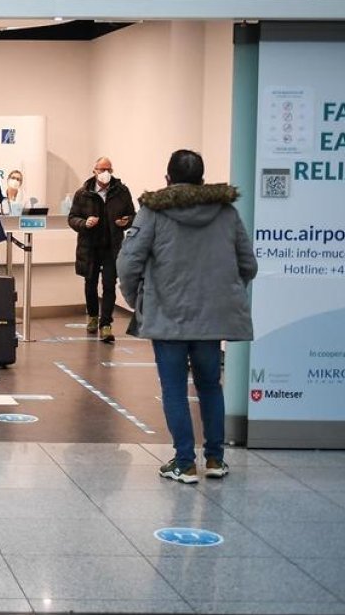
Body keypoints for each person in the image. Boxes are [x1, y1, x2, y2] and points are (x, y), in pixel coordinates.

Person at [116, 149, 258, 484]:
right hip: (211, 320)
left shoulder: (154, 211)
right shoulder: (226, 213)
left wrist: (136, 299)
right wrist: (225, 295)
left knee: (175, 389)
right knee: (210, 385)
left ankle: (183, 461)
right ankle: (215, 458)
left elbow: (128, 263)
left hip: (167, 316)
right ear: (202, 180)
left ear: (168, 178)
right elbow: (248, 265)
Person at [68, 157, 135, 343]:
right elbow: (72, 218)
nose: (105, 173)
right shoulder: (83, 193)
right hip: (89, 247)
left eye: (108, 169)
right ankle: (92, 317)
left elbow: (133, 214)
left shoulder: (121, 191)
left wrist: (125, 222)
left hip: (112, 247)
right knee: (90, 284)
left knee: (109, 285)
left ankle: (106, 324)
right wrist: (84, 222)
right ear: (94, 171)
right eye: (101, 169)